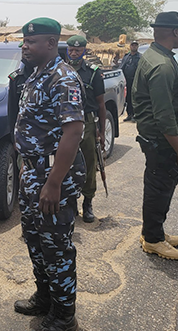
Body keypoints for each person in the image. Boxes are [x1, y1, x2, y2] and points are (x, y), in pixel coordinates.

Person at [13, 17, 86, 331]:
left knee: (56, 247)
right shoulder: (36, 74)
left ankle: (64, 314)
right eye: (25, 41)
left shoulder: (64, 78)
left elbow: (73, 133)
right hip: (33, 171)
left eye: (31, 42)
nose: (25, 46)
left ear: (52, 43)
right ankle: (44, 298)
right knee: (35, 240)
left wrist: (54, 182)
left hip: (54, 173)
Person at [132, 11, 178, 261]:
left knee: (158, 186)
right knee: (160, 187)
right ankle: (153, 240)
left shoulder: (158, 56)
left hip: (157, 137)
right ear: (175, 32)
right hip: (161, 139)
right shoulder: (162, 65)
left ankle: (153, 231)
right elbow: (164, 116)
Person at [65, 35, 107, 223]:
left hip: (87, 123)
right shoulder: (60, 70)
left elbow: (101, 104)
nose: (74, 53)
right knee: (66, 164)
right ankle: (71, 203)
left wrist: (102, 130)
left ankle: (88, 203)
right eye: (71, 50)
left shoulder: (93, 72)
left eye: (78, 50)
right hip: (65, 125)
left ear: (84, 50)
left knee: (90, 164)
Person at [120, 40, 141, 121]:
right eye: (133, 45)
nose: (134, 47)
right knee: (127, 98)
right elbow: (122, 67)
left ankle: (135, 115)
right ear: (130, 46)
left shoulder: (140, 57)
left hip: (135, 81)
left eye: (135, 45)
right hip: (126, 81)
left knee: (135, 99)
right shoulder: (126, 57)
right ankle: (129, 114)